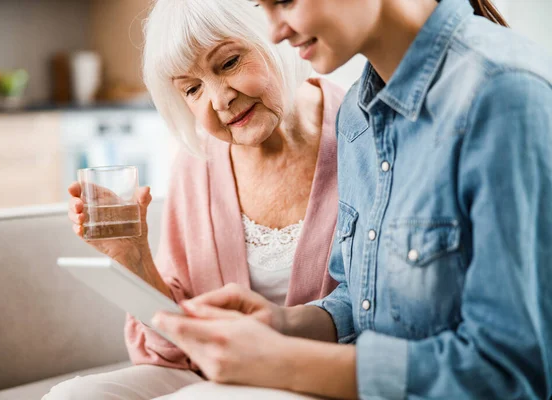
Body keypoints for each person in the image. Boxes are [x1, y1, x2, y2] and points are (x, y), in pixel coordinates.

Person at [152, 0, 552, 399]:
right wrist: (282, 324)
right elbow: (362, 297)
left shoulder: (503, 93)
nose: (275, 32)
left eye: (285, 1)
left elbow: (513, 374)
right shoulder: (358, 115)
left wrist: (283, 362)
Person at [43, 0, 346, 399]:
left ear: (273, 34)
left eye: (229, 63)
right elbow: (176, 346)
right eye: (192, 88)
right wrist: (133, 257)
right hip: (215, 376)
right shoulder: (197, 161)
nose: (219, 101)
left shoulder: (361, 133)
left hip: (320, 376)